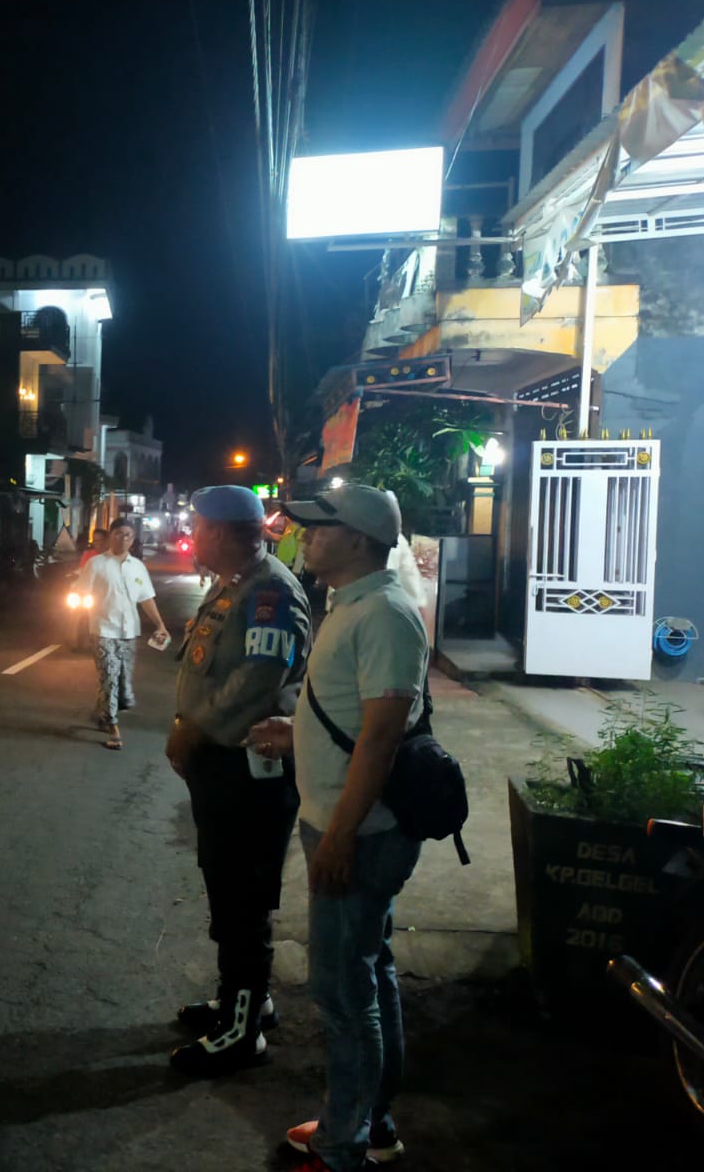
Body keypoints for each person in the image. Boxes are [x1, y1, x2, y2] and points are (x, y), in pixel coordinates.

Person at [246, 483, 430, 1171]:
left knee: (343, 993)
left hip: (360, 834)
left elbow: (382, 740)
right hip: (344, 825)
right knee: (368, 974)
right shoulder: (349, 605)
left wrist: (340, 837)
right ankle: (370, 1123)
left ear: (356, 541)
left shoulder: (382, 614)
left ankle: (343, 1145)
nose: (305, 537)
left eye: (320, 530)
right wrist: (298, 734)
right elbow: (360, 722)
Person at [165, 484, 310, 1077]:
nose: (193, 536)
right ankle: (242, 999)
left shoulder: (268, 590)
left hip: (247, 768)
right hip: (222, 765)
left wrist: (195, 728)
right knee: (225, 883)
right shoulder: (236, 583)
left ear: (223, 533)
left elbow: (256, 678)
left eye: (199, 528)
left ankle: (242, 1029)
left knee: (243, 892)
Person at [77, 517, 169, 751]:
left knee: (123, 682)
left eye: (128, 535)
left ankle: (102, 711)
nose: (123, 538)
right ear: (110, 536)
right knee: (109, 674)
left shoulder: (138, 567)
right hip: (103, 629)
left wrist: (160, 624)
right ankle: (113, 726)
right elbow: (81, 594)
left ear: (133, 539)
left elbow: (146, 598)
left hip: (129, 631)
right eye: (118, 534)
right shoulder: (96, 564)